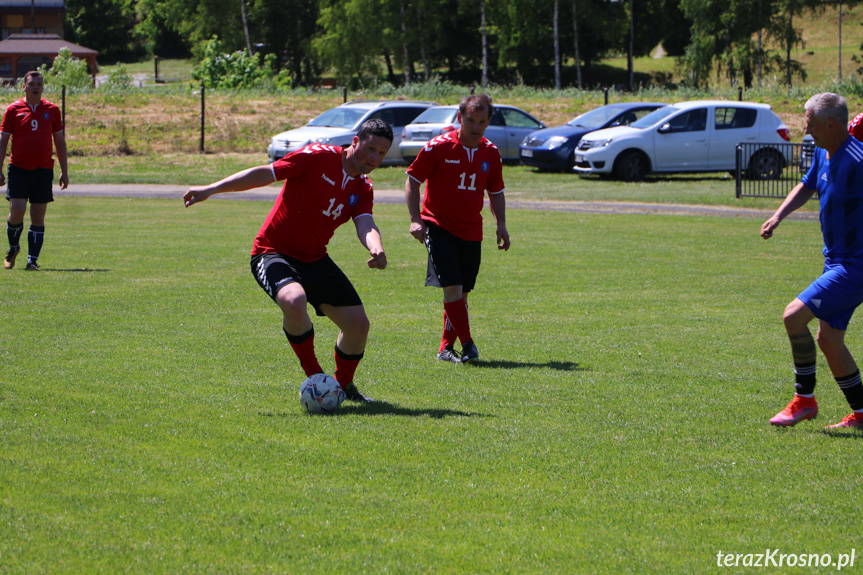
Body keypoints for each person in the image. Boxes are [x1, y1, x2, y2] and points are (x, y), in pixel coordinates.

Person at [183, 119, 394, 402]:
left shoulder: (363, 188)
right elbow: (264, 174)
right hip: (273, 252)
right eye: (371, 149)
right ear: (355, 141)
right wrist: (211, 188)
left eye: (381, 153)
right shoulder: (318, 156)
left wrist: (376, 248)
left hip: (315, 259)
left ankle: (341, 387)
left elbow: (365, 224)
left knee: (358, 325)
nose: (374, 158)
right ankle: (316, 378)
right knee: (293, 300)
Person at [761, 92, 863, 429]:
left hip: (855, 267)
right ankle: (862, 415)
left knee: (793, 317)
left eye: (811, 125)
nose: (807, 131)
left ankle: (804, 401)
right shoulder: (822, 152)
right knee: (829, 340)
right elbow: (806, 186)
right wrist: (778, 216)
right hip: (835, 262)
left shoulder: (858, 161)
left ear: (832, 125)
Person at [405, 93, 510, 364]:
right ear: (459, 118)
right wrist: (416, 219)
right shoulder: (437, 147)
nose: (476, 127)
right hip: (438, 226)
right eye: (471, 120)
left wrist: (501, 224)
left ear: (488, 122)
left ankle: (444, 349)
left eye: (482, 122)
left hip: (472, 230)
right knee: (452, 288)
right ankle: (468, 344)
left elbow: (496, 191)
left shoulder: (490, 152)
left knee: (461, 294)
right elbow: (413, 180)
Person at [2, 70, 68, 271]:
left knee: (38, 216)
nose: (36, 87)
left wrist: (64, 171)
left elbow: (59, 141)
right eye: (32, 84)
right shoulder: (13, 110)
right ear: (24, 86)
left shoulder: (52, 110)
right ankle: (13, 248)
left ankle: (32, 261)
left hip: (43, 170)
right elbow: (3, 140)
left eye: (39, 84)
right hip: (19, 169)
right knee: (18, 211)